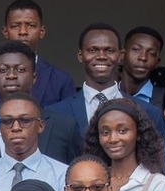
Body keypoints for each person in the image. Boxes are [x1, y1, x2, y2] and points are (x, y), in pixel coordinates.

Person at [0, 0, 73, 123]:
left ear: (42, 31)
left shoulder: (60, 80)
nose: (23, 32)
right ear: (5, 31)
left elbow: (66, 129)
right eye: (15, 26)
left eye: (31, 25)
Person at [40, 23, 126, 162]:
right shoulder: (54, 114)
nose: (101, 56)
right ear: (80, 55)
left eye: (109, 50)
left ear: (121, 55)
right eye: (93, 50)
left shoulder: (147, 111)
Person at [91, 99, 165, 191]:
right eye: (105, 133)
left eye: (122, 131)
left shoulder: (156, 184)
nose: (113, 139)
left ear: (138, 133)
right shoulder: (90, 181)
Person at [0, 92, 67, 191]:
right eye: (7, 121)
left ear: (41, 126)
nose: (16, 127)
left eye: (25, 120)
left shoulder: (63, 175)